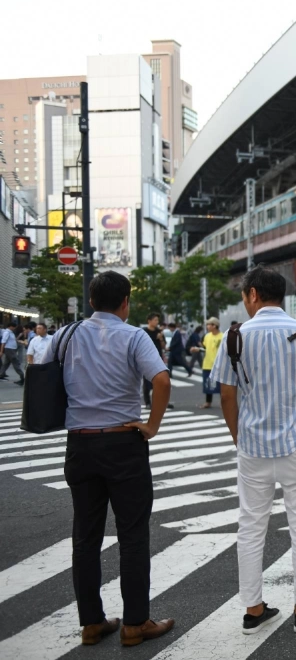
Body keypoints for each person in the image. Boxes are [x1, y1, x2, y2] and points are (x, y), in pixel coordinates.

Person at [38, 271, 174, 647]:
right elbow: (161, 380)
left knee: (85, 535)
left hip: (80, 445)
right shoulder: (133, 336)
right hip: (123, 443)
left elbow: (40, 368)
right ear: (126, 302)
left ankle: (92, 623)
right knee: (132, 534)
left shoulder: (66, 335)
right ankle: (135, 624)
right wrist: (152, 425)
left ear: (92, 302)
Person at [213, 266, 296, 635]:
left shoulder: (235, 338)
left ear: (252, 294)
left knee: (251, 526)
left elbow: (228, 396)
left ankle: (253, 609)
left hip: (253, 448)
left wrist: (239, 437)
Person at [141, 314, 171, 409]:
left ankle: (161, 402)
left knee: (160, 381)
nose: (156, 322)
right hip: (146, 359)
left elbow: (163, 346)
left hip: (157, 358)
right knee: (147, 382)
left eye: (157, 320)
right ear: (149, 321)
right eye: (155, 320)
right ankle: (147, 402)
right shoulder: (144, 332)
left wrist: (161, 338)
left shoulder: (159, 332)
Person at [199, 318, 223, 409]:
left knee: (221, 385)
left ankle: (223, 402)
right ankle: (208, 402)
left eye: (209, 325)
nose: (207, 327)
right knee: (207, 383)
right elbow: (205, 348)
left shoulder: (222, 336)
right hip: (207, 363)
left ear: (214, 326)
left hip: (219, 364)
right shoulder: (207, 336)